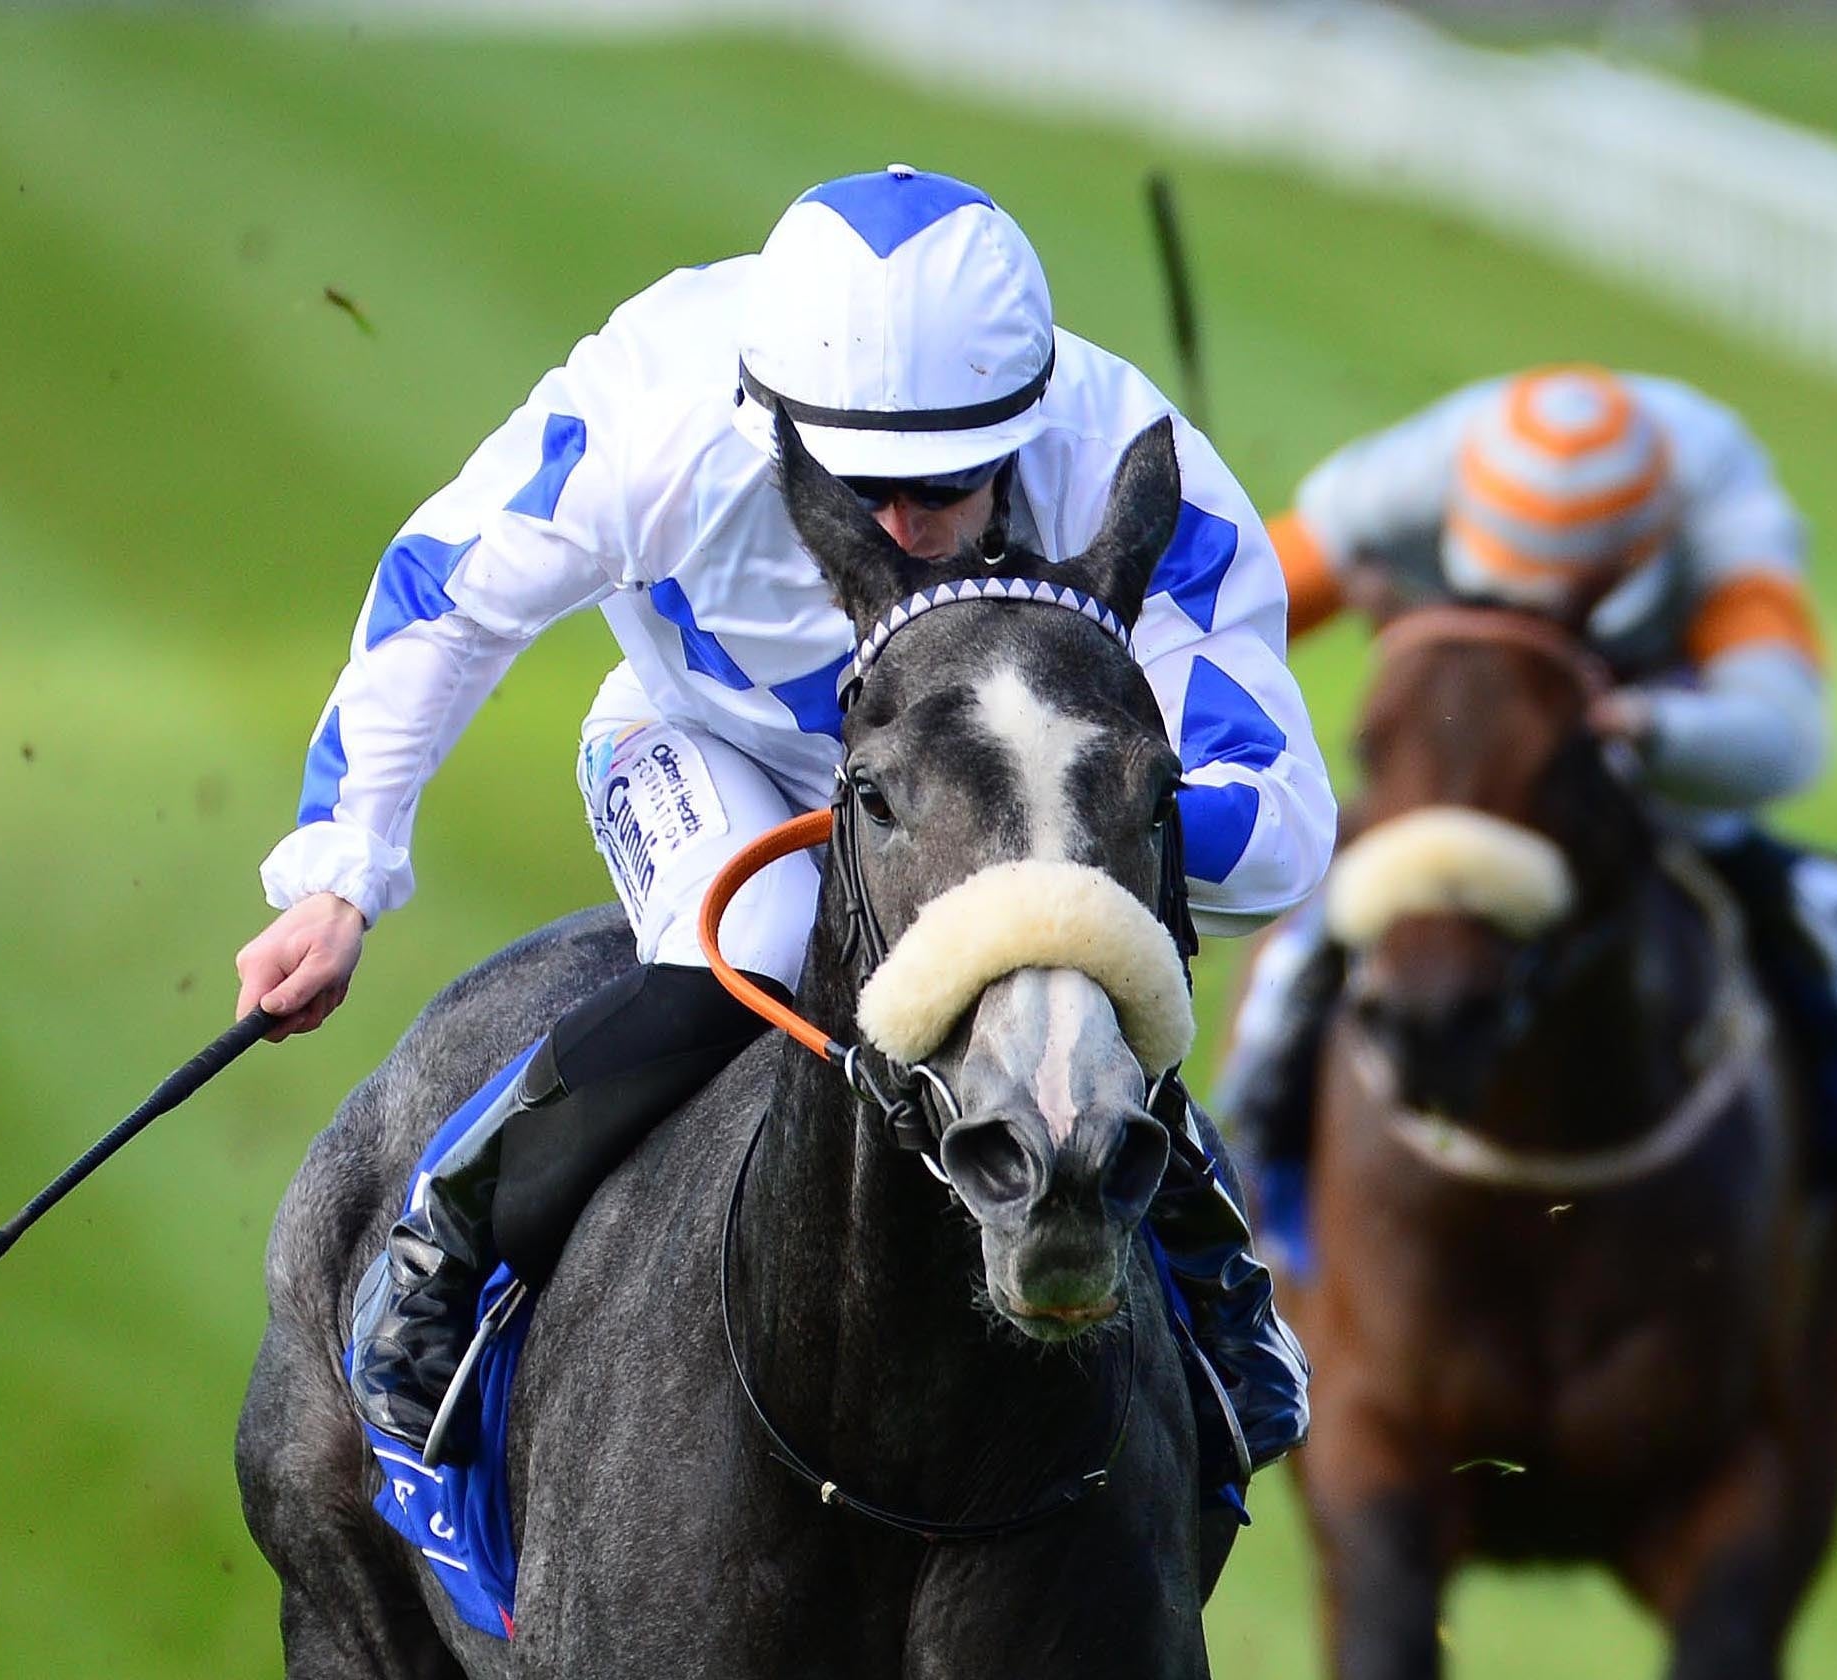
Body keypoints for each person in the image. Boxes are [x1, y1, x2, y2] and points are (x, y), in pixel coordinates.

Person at [235, 168, 1332, 1478]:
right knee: (753, 944)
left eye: (948, 484)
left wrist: (1087, 843)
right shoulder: (655, 420)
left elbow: (1278, 822)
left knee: (1068, 962)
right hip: (712, 745)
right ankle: (447, 1241)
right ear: (781, 429)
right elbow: (446, 594)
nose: (906, 527)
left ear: (1024, 426)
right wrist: (339, 873)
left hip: (995, 803)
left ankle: (1211, 1275)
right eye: (865, 488)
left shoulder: (1130, 464)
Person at [1206, 366, 1837, 1262]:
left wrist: (1653, 730)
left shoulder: (1722, 500)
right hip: (1473, 742)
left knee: (1799, 930)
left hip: (1648, 738)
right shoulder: (1421, 469)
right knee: (1323, 917)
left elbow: (1785, 735)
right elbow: (1244, 602)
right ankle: (1257, 1169)